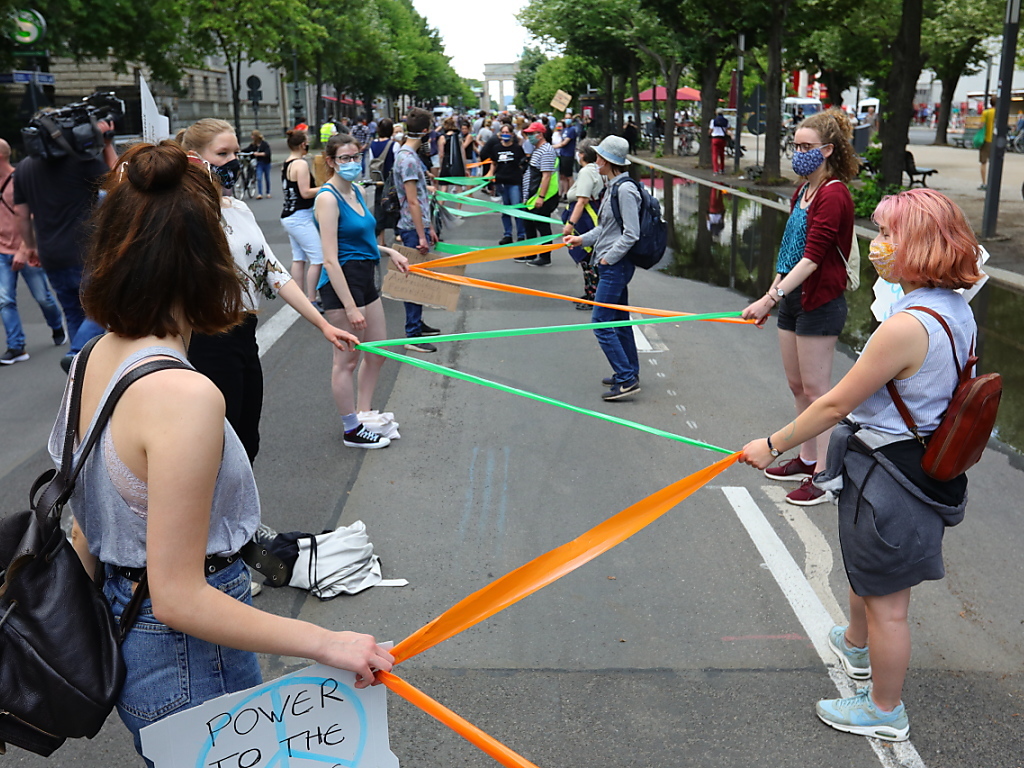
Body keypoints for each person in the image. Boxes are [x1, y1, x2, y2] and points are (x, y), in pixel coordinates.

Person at [57, 141, 393, 764]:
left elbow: (88, 524)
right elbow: (180, 595)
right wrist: (325, 642)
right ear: (206, 258)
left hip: (135, 635)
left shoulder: (93, 358)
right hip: (188, 658)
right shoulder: (184, 394)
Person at [740, 188, 982, 743]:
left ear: (921, 244)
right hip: (915, 466)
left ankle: (884, 709)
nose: (878, 246)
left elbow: (833, 403)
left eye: (890, 235)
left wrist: (772, 444)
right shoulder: (955, 310)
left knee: (889, 606)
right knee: (870, 573)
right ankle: (854, 641)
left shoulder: (906, 326)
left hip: (890, 478)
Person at [179, 118, 357, 463]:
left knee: (247, 440)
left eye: (236, 151)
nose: (232, 160)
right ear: (193, 158)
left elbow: (275, 272)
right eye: (222, 153)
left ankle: (239, 517)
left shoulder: (239, 209)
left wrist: (323, 324)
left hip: (245, 334)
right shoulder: (182, 215)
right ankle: (214, 517)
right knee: (216, 446)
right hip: (204, 337)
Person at [740, 108, 858, 505]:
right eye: (795, 146)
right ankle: (807, 459)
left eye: (806, 147)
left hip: (820, 303)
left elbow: (812, 258)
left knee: (818, 393)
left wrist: (768, 298)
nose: (798, 152)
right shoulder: (803, 191)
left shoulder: (834, 193)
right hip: (794, 298)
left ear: (827, 150)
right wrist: (774, 294)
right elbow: (788, 255)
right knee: (798, 387)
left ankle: (827, 476)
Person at [314, 134, 410, 448]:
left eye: (356, 157)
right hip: (343, 283)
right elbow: (330, 257)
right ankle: (351, 429)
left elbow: (362, 238)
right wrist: (351, 307)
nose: (353, 163)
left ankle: (364, 412)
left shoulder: (355, 190)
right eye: (345, 158)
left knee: (378, 351)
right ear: (330, 161)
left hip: (366, 276)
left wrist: (389, 251)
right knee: (346, 361)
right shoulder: (327, 198)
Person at [13, 111, 117, 355]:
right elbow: (120, 182)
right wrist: (108, 145)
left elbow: (21, 214)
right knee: (103, 306)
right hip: (87, 252)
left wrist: (30, 247)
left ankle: (78, 370)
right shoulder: (81, 161)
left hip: (51, 254)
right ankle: (77, 353)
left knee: (73, 312)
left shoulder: (24, 168)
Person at [564, 135, 640, 401]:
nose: (595, 161)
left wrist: (608, 258)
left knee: (600, 322)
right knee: (619, 320)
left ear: (609, 161)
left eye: (599, 157)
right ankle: (628, 372)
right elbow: (605, 228)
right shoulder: (613, 186)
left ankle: (627, 378)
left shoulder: (625, 190)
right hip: (611, 264)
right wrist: (580, 239)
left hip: (614, 266)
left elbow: (632, 234)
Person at [0, 137, 66, 364]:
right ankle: (16, 347)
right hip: (1, 251)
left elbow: (33, 215)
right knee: (5, 299)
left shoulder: (21, 179)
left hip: (27, 248)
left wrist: (23, 248)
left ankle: (57, 325)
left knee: (43, 297)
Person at [393, 107, 442, 353]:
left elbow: (420, 199)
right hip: (412, 228)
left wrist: (430, 226)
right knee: (413, 280)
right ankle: (412, 333)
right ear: (426, 131)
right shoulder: (409, 159)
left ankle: (417, 323)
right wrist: (422, 234)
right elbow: (412, 200)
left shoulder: (405, 155)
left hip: (417, 225)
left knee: (420, 278)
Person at [561, 138, 604, 308]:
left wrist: (570, 223)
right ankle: (591, 293)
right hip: (591, 216)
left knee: (588, 258)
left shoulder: (587, 172)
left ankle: (593, 296)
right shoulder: (597, 170)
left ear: (584, 154)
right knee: (590, 259)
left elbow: (582, 201)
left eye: (579, 151)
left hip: (586, 219)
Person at [280, 128, 322, 302]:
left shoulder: (288, 162)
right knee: (319, 258)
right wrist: (327, 187)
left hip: (290, 214)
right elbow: (305, 192)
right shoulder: (301, 164)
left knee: (299, 258)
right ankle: (311, 299)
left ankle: (299, 299)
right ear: (303, 144)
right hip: (300, 216)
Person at [515, 121, 559, 267]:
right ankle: (532, 252)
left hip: (541, 196)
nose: (528, 137)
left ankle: (545, 256)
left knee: (542, 225)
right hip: (533, 195)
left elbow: (546, 176)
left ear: (540, 134)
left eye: (530, 134)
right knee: (529, 224)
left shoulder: (546, 151)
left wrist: (541, 197)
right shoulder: (539, 149)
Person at [480, 122, 526, 244]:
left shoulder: (517, 148)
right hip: (501, 181)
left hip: (514, 181)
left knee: (516, 207)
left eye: (507, 132)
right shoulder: (496, 148)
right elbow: (494, 163)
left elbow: (522, 163)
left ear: (512, 134)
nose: (505, 135)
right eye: (503, 132)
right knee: (505, 209)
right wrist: (490, 174)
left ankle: (521, 234)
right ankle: (508, 234)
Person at [242, 130, 272, 199]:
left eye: (253, 136)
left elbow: (267, 153)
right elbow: (247, 149)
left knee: (267, 178)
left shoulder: (264, 144)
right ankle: (260, 193)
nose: (251, 137)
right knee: (259, 178)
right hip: (259, 163)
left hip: (266, 163)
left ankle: (268, 192)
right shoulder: (253, 145)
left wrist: (258, 154)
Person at [555, 117, 580, 199]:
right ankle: (564, 193)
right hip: (562, 154)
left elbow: (564, 143)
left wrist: (552, 146)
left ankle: (572, 193)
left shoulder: (572, 130)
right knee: (562, 176)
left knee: (569, 176)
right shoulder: (565, 129)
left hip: (568, 155)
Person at [979, 97, 996, 191]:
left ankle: (984, 183)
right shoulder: (1000, 113)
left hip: (987, 139)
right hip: (996, 140)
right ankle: (993, 182)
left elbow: (981, 125)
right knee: (994, 163)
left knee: (983, 162)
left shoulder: (986, 113)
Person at [709, 109, 730, 175]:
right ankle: (722, 169)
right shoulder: (726, 121)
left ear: (716, 113)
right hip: (722, 139)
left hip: (715, 138)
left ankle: (715, 170)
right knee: (722, 154)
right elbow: (728, 128)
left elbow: (711, 130)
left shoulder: (713, 121)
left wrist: (709, 134)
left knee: (714, 154)